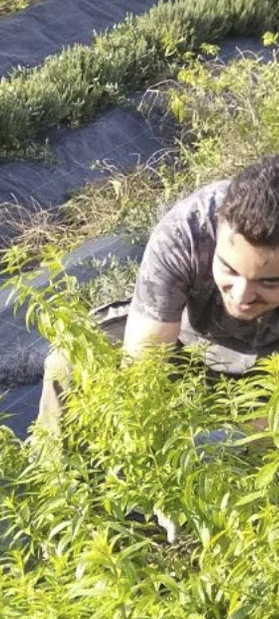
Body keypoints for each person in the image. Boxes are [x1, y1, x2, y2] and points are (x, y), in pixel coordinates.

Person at [39, 155, 279, 428]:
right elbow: (143, 365)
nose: (240, 296)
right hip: (182, 345)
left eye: (268, 282)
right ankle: (58, 469)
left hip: (268, 373)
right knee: (70, 360)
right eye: (229, 270)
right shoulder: (188, 229)